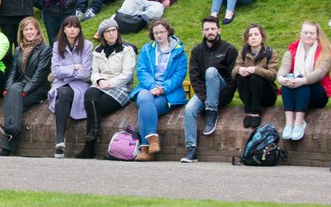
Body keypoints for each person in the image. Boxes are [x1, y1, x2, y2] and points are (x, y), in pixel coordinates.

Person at [180, 16, 237, 162]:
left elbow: (233, 79)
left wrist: (220, 99)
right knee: (189, 109)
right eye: (207, 29)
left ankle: (212, 113)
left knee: (211, 71)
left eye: (213, 28)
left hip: (221, 91)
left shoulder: (229, 49)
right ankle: (191, 149)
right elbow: (194, 78)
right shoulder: (197, 51)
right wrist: (205, 98)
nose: (210, 32)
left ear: (219, 29)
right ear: (202, 31)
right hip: (204, 94)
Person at [77, 18, 136, 158]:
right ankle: (93, 135)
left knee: (97, 107)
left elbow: (127, 74)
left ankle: (89, 145)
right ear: (103, 35)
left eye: (113, 30)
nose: (111, 34)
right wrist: (100, 80)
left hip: (121, 87)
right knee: (90, 94)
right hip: (101, 84)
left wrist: (110, 83)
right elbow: (94, 72)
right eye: (108, 31)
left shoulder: (127, 50)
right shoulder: (97, 51)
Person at [129, 18, 187, 161]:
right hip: (147, 87)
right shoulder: (147, 49)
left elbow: (179, 75)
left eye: (162, 32)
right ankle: (153, 139)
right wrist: (152, 86)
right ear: (152, 35)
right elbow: (141, 71)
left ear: (168, 32)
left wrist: (162, 88)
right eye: (156, 33)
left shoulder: (179, 52)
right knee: (144, 98)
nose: (159, 35)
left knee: (145, 109)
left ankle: (144, 149)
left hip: (167, 92)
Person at [278, 20, 331, 141]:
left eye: (312, 33)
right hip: (297, 90)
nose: (308, 35)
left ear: (317, 35)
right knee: (287, 84)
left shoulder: (324, 51)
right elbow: (284, 68)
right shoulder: (292, 50)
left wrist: (303, 80)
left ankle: (299, 123)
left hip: (317, 93)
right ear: (301, 34)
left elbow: (320, 73)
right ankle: (289, 123)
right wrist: (281, 78)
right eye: (306, 33)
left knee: (301, 83)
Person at [46, 16, 91, 157]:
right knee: (63, 93)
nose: (72, 29)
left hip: (79, 85)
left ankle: (60, 142)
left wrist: (65, 72)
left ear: (79, 29)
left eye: (75, 26)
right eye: (69, 26)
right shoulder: (56, 45)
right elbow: (55, 71)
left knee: (63, 95)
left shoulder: (87, 45)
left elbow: (85, 73)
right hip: (61, 84)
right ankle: (60, 140)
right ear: (64, 29)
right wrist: (73, 67)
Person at [234, 23, 279, 130]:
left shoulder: (271, 53)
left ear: (262, 37)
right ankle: (248, 111)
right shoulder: (243, 52)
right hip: (249, 95)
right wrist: (240, 70)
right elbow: (234, 69)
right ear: (247, 39)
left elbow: (273, 75)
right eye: (250, 35)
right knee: (240, 77)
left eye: (256, 34)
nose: (253, 37)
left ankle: (255, 112)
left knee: (255, 77)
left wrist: (256, 70)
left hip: (266, 94)